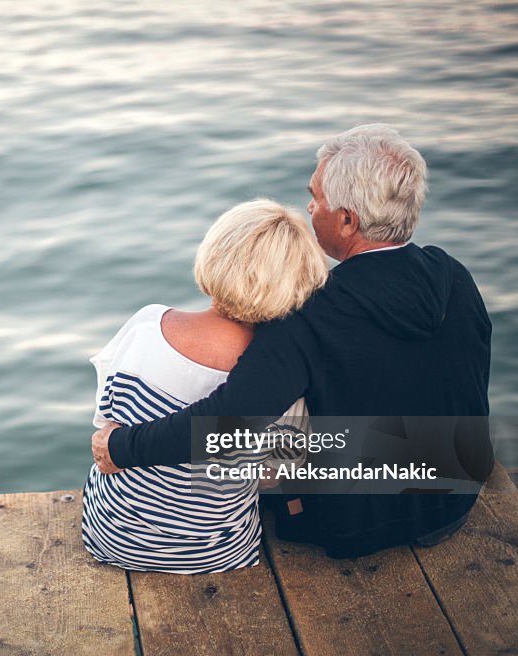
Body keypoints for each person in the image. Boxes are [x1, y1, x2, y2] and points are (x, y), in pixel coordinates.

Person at [91, 124, 494, 559]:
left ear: (347, 220)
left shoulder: (310, 314)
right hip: (455, 498)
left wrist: (121, 447)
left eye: (316, 197)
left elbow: (234, 421)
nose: (309, 206)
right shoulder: (453, 276)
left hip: (354, 526)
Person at [81, 199, 327, 573]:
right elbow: (274, 472)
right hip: (214, 554)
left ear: (214, 255)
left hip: (111, 535)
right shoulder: (280, 377)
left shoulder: (148, 325)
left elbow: (105, 418)